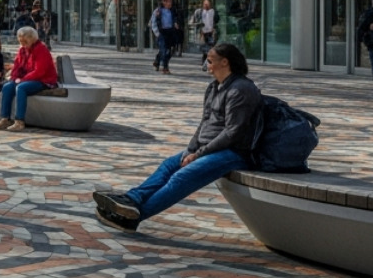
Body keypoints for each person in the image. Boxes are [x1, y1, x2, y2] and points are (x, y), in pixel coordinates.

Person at [93, 43, 262, 232]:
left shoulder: (240, 90)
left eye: (210, 61)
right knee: (168, 166)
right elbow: (204, 122)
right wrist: (191, 149)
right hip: (208, 148)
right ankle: (132, 199)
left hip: (234, 152)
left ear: (225, 62)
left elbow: (233, 132)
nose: (206, 65)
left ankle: (134, 216)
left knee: (182, 177)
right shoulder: (214, 87)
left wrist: (198, 154)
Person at [0, 26, 57, 132]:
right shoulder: (22, 50)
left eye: (25, 41)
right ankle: (5, 118)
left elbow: (40, 71)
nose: (22, 43)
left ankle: (19, 121)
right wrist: (14, 78)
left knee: (21, 88)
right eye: (21, 41)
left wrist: (22, 80)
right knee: (7, 87)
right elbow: (16, 67)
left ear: (32, 39)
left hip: (43, 80)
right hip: (26, 79)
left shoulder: (41, 49)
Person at [148, 0, 177, 74]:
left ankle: (157, 61)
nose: (169, 3)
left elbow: (175, 19)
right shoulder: (158, 11)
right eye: (166, 1)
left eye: (170, 1)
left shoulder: (173, 11)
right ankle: (165, 67)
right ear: (163, 2)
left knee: (170, 50)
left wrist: (176, 24)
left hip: (170, 32)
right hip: (162, 32)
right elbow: (153, 22)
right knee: (164, 50)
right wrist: (157, 33)